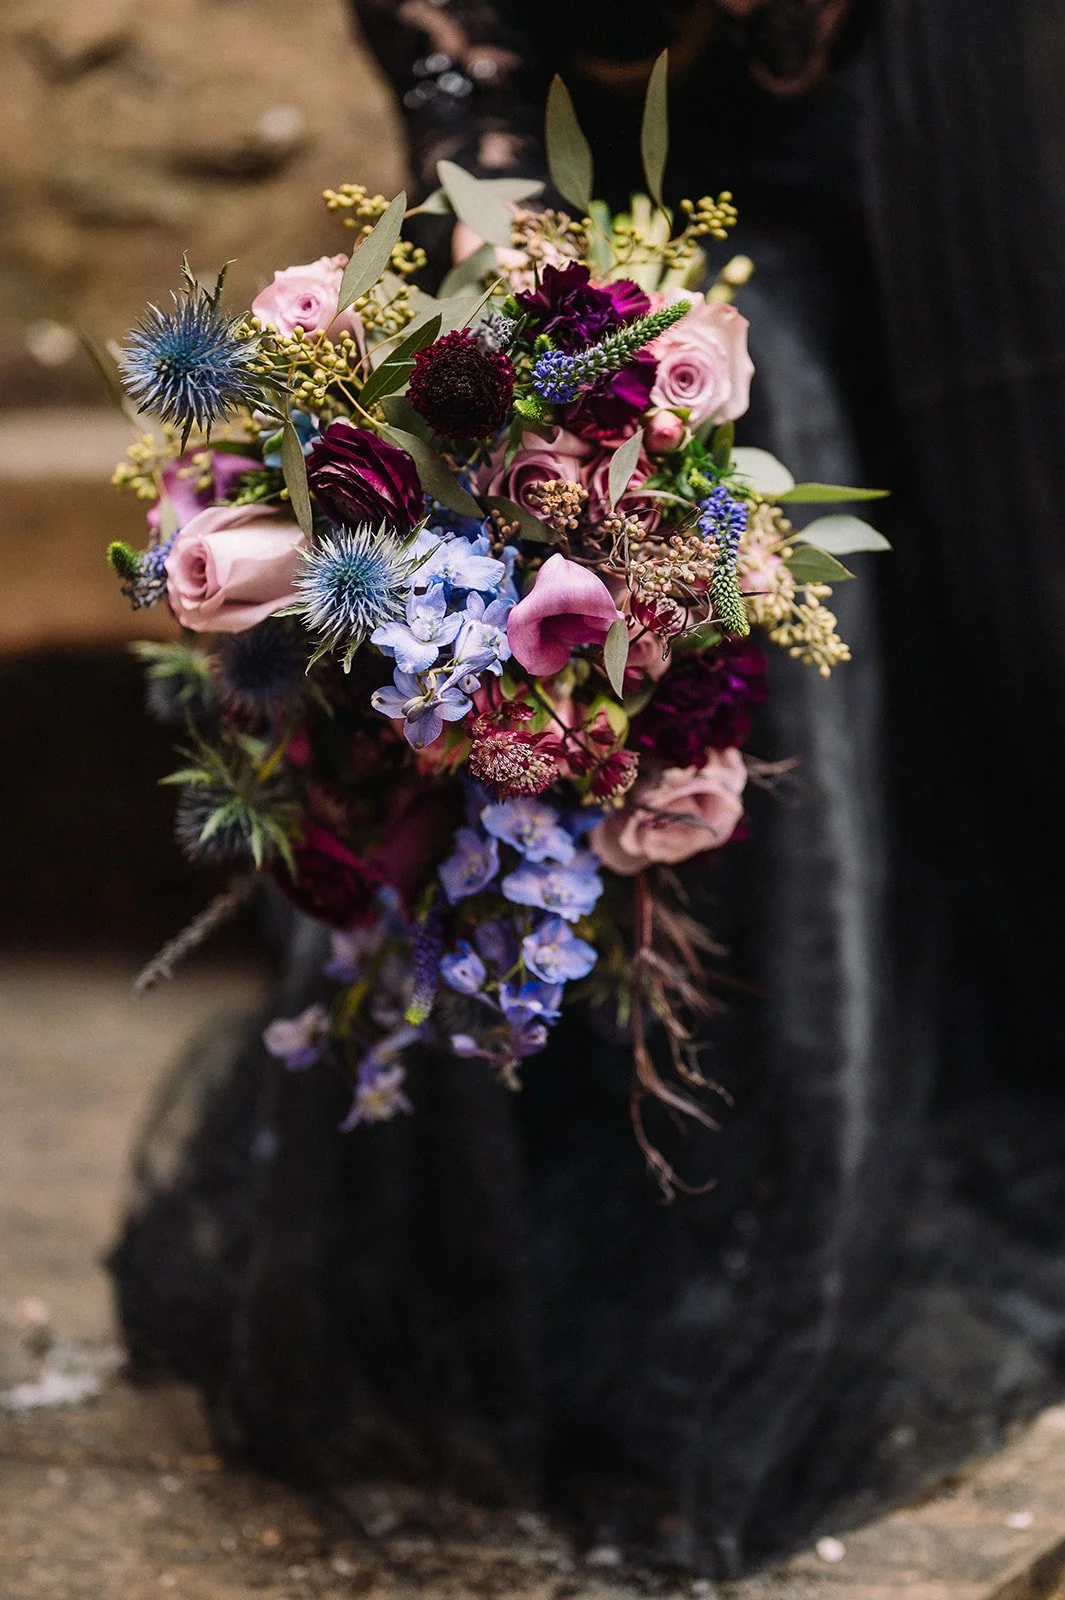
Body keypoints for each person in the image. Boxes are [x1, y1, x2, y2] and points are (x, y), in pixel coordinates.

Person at [110, 0, 1065, 1575]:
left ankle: (735, 1147)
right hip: (560, 233)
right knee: (475, 474)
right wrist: (532, 343)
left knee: (758, 443)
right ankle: (512, 1175)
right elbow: (475, 155)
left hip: (869, 241)